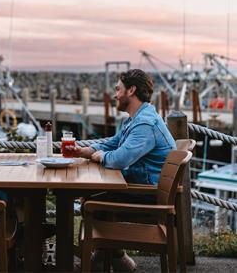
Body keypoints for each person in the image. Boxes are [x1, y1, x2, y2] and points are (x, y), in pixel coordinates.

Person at [66, 69, 176, 271]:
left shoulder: (145, 123)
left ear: (131, 90)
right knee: (92, 198)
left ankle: (104, 260)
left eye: (118, 89)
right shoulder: (135, 119)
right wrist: (85, 151)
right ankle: (113, 259)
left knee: (94, 203)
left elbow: (119, 158)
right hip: (142, 186)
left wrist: (100, 157)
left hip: (150, 195)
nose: (115, 95)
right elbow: (112, 143)